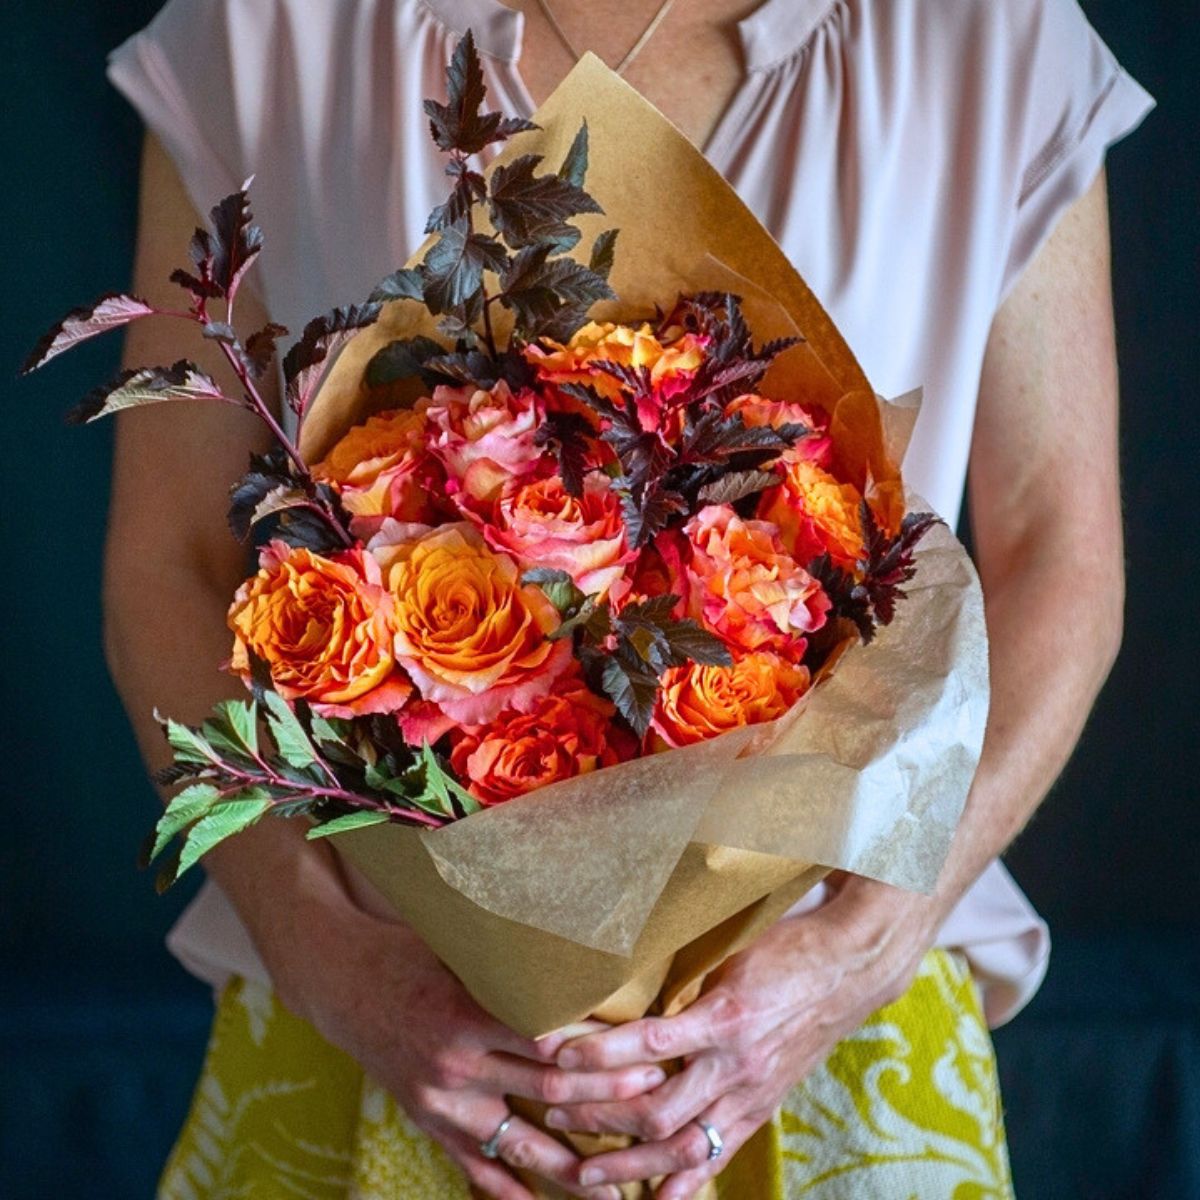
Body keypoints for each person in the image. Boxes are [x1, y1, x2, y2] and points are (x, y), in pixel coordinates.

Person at [101, 1, 1153, 1196]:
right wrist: (330, 961)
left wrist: (860, 944)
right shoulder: (269, 26)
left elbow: (1063, 555)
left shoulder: (989, 34)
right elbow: (168, 562)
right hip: (392, 1026)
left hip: (830, 1027)